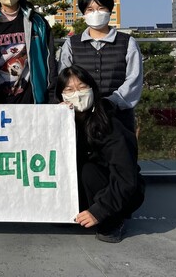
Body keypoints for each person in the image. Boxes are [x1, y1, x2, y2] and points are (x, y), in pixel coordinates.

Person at [57, 65, 144, 243]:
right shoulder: (62, 123)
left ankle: (112, 221)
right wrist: (55, 119)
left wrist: (100, 211)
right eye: (69, 90)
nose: (77, 94)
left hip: (120, 194)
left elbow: (126, 177)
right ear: (61, 96)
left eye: (82, 87)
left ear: (93, 89)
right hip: (86, 192)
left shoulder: (110, 124)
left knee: (89, 170)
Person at [58, 0, 143, 132]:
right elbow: (63, 78)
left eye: (101, 8)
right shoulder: (71, 44)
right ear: (84, 14)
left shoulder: (127, 42)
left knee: (119, 153)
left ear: (110, 11)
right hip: (79, 117)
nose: (95, 13)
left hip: (118, 117)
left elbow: (134, 79)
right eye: (90, 9)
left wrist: (111, 102)